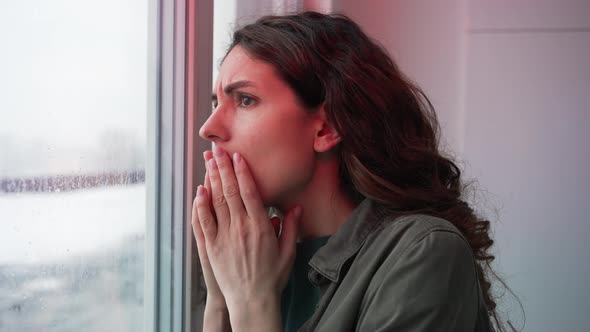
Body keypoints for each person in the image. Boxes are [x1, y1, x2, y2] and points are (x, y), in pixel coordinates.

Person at [191, 11, 511, 332]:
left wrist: (251, 304)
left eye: (246, 100)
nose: (208, 128)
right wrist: (220, 301)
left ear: (326, 128)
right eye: (216, 103)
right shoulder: (249, 261)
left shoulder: (423, 252)